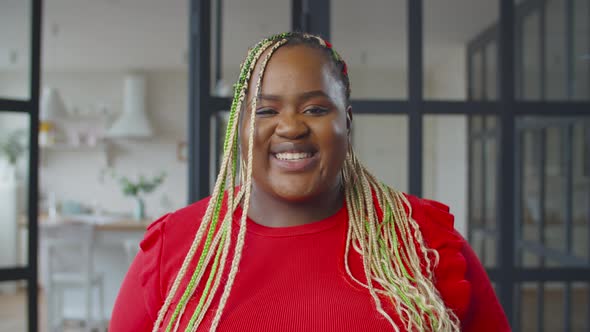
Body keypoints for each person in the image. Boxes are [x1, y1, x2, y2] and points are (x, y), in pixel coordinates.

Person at [110, 32, 510, 332]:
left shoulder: (424, 239)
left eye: (315, 108)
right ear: (241, 127)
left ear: (347, 123)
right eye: (266, 110)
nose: (290, 127)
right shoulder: (174, 249)